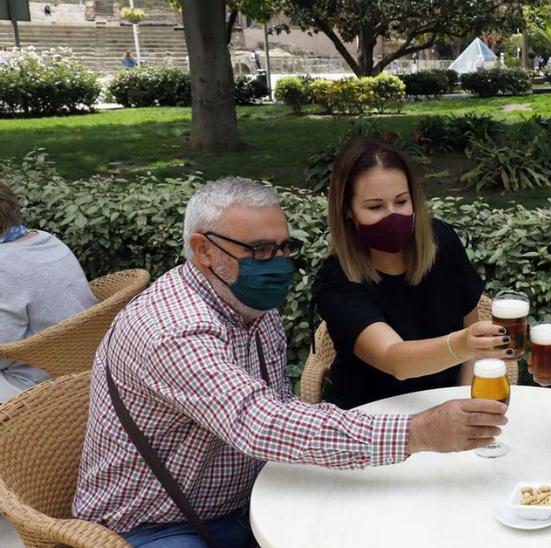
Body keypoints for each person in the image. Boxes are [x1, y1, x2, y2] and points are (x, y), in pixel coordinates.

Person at [73, 178, 508, 547]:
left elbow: (281, 408)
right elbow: (262, 423)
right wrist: (419, 431)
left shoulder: (249, 306)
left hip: (252, 494)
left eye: (284, 248)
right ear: (203, 250)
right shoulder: (174, 329)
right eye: (261, 250)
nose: (279, 265)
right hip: (160, 525)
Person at [312, 139, 508, 410]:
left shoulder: (441, 241)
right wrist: (464, 343)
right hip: (370, 422)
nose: (392, 215)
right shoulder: (337, 279)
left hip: (446, 407)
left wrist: (465, 404)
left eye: (401, 201)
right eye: (375, 207)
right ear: (347, 210)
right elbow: (396, 360)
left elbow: (469, 334)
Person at [0, 181, 97, 402]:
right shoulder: (44, 238)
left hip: (35, 383)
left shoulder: (3, 265)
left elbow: (2, 354)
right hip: (81, 362)